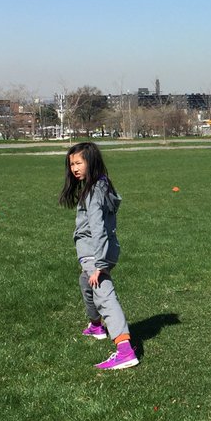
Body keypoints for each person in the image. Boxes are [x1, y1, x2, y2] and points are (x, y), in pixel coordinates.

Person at [59, 142, 139, 369]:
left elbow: (98, 228)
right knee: (85, 282)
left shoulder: (94, 191)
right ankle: (96, 326)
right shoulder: (101, 185)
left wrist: (100, 265)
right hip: (106, 250)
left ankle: (125, 350)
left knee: (103, 293)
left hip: (95, 253)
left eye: (78, 163)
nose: (74, 168)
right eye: (71, 164)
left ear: (91, 162)